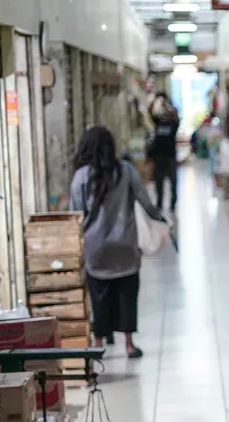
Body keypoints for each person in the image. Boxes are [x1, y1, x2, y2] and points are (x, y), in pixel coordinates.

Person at [70, 126, 164, 358]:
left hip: (96, 251)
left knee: (99, 296)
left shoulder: (81, 177)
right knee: (127, 295)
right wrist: (161, 219)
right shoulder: (127, 171)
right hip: (126, 249)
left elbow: (75, 215)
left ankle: (99, 342)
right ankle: (130, 344)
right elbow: (146, 202)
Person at [147, 93, 180, 211]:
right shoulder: (158, 122)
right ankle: (159, 202)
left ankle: (173, 203)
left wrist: (168, 102)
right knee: (158, 182)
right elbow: (149, 111)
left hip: (170, 156)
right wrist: (156, 98)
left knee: (173, 182)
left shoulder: (174, 124)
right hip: (159, 156)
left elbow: (176, 114)